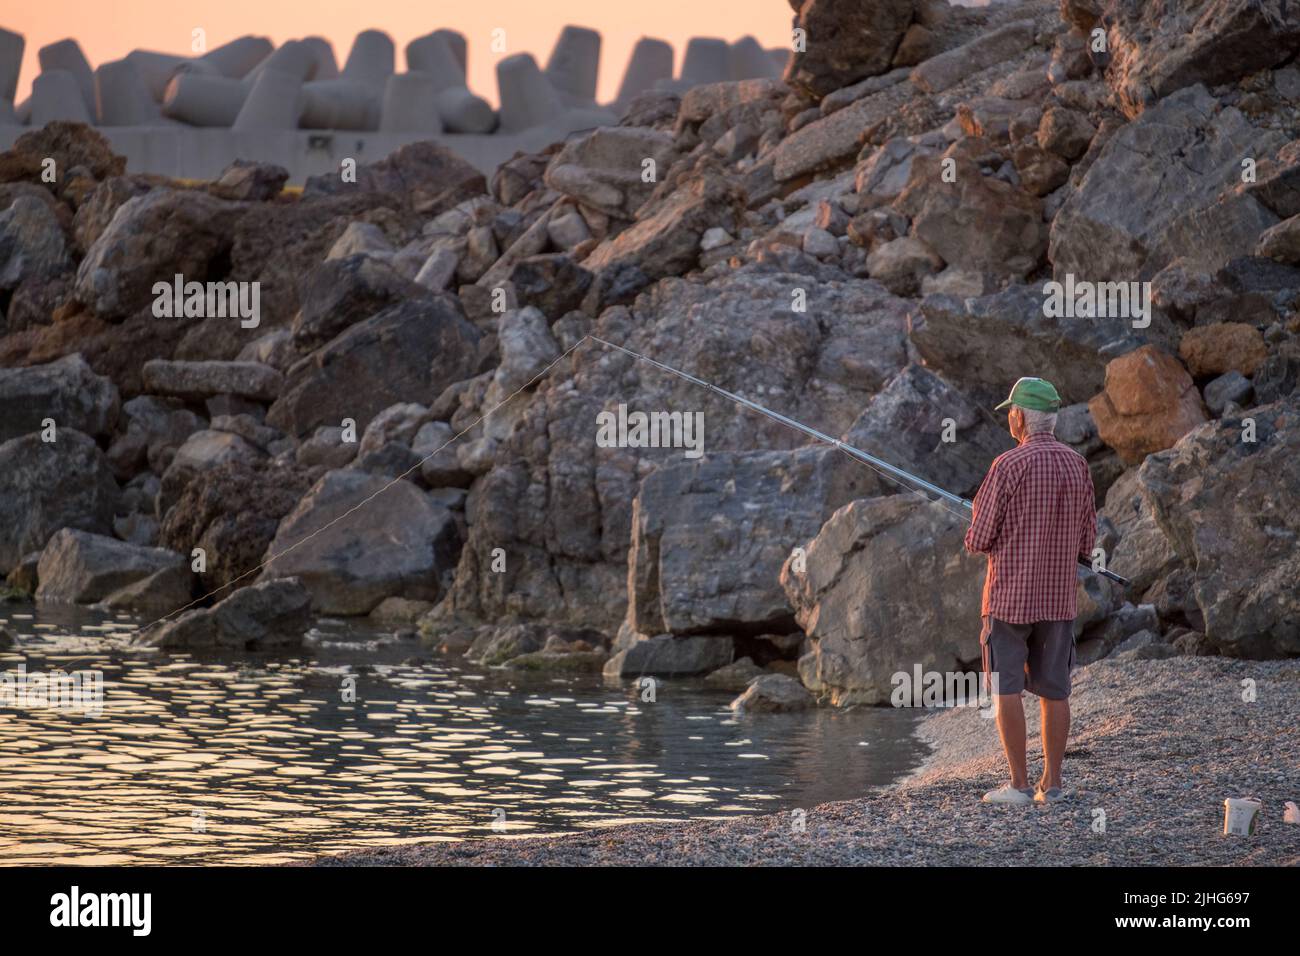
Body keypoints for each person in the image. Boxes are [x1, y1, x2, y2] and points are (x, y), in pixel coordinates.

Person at [964, 377, 1097, 805]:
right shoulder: (1078, 465)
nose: (1009, 418)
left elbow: (978, 539)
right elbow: (1086, 543)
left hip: (1008, 600)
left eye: (1010, 412)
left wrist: (978, 517)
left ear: (1020, 416)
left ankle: (1019, 785)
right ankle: (1052, 785)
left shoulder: (1006, 466)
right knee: (1054, 690)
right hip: (1058, 601)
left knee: (1006, 689)